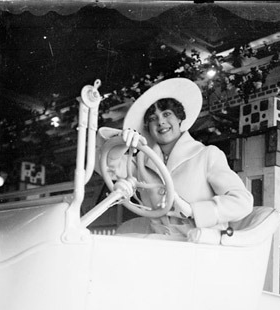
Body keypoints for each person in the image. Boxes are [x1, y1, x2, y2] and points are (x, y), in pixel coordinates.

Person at [96, 78, 253, 241]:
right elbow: (107, 169)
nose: (161, 122)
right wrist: (121, 143)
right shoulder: (141, 162)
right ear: (147, 127)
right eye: (152, 118)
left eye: (166, 114)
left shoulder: (207, 155)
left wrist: (193, 210)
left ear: (179, 118)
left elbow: (243, 202)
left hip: (201, 246)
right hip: (160, 245)